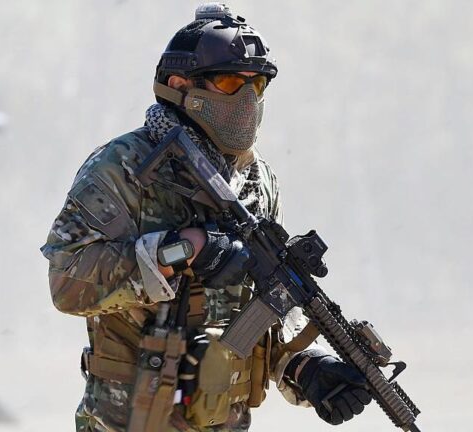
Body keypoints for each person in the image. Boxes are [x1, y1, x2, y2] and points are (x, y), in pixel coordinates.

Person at [41, 4, 372, 431]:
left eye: (257, 84)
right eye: (231, 82)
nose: (248, 99)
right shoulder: (125, 166)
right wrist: (184, 249)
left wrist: (305, 367)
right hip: (126, 420)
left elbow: (262, 315)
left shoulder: (257, 181)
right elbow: (67, 282)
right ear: (180, 85)